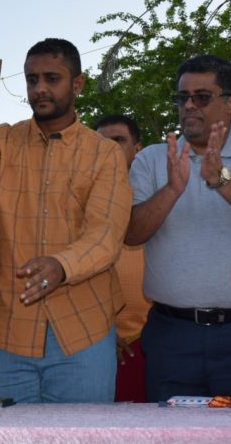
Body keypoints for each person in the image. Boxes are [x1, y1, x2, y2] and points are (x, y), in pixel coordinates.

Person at [127, 54, 231, 402]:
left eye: (201, 97)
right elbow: (131, 234)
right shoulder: (153, 159)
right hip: (171, 334)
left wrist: (222, 179)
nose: (189, 106)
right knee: (170, 431)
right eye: (182, 98)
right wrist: (171, 190)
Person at [0, 38, 131, 403]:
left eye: (52, 79)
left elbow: (106, 234)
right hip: (3, 327)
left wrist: (62, 265)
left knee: (82, 432)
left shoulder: (104, 154)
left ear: (77, 84)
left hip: (82, 329)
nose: (39, 88)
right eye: (32, 79)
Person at [93, 114, 151, 403]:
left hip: (153, 339)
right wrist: (102, 332)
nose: (110, 149)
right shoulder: (78, 199)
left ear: (137, 150)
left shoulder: (157, 199)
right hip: (93, 340)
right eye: (102, 143)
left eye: (119, 140)